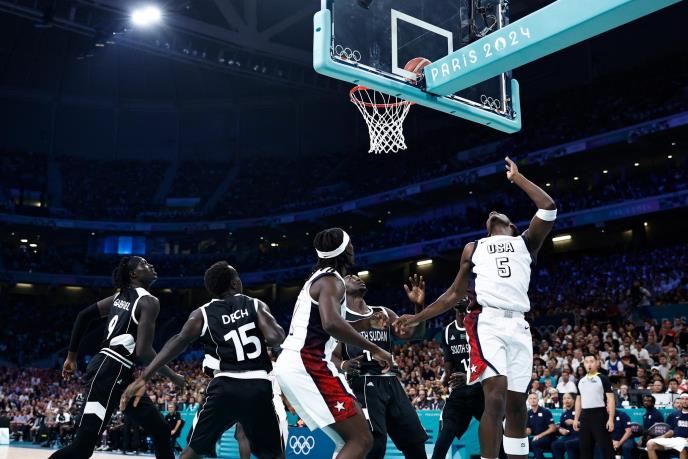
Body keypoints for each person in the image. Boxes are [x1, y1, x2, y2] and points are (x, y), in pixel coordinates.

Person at [396, 157, 557, 459]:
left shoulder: (526, 243)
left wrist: (518, 178)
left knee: (517, 406)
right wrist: (418, 316)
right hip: (489, 323)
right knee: (494, 398)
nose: (492, 214)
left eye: (501, 215)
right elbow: (453, 294)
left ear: (512, 227)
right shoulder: (474, 247)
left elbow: (548, 207)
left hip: (519, 325)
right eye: (489, 216)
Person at [120, 261, 287, 459]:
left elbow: (178, 341)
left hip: (224, 387)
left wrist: (144, 377)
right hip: (258, 387)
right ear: (234, 284)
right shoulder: (255, 304)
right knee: (273, 454)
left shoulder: (202, 313)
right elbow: (276, 337)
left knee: (193, 451)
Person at [275, 228, 393, 459]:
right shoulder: (331, 281)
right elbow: (331, 324)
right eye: (351, 244)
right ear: (345, 250)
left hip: (300, 362)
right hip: (308, 363)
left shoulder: (320, 278)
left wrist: (366, 323)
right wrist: (375, 349)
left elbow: (326, 325)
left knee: (348, 441)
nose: (353, 248)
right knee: (361, 439)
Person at [50, 256, 183, 459]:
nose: (151, 265)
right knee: (82, 448)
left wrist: (71, 357)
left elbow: (83, 316)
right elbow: (144, 351)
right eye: (144, 264)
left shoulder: (118, 297)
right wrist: (173, 376)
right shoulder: (149, 301)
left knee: (161, 429)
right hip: (108, 373)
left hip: (119, 374)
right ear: (134, 274)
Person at [332, 274, 428, 459]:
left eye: (357, 276)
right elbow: (332, 357)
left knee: (415, 443)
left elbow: (415, 334)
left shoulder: (384, 312)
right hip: (363, 384)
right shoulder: (340, 318)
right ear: (340, 288)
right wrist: (344, 364)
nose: (356, 277)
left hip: (391, 382)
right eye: (350, 277)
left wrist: (419, 307)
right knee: (375, 446)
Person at [432, 300, 490, 459]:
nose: (459, 298)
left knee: (498, 434)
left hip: (481, 390)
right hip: (459, 393)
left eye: (464, 295)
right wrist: (442, 383)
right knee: (444, 435)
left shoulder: (481, 327)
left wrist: (470, 377)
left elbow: (490, 361)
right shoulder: (447, 331)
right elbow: (449, 367)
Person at [573, 353, 615, 459]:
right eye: (586, 362)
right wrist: (576, 419)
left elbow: (611, 399)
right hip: (585, 416)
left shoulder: (603, 378)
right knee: (585, 448)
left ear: (597, 363)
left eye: (592, 361)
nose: (589, 364)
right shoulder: (580, 381)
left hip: (599, 415)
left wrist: (610, 419)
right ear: (584, 364)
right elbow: (578, 400)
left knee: (606, 447)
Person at [646, 392, 688, 459]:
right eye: (682, 399)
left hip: (685, 441)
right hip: (675, 440)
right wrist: (662, 437)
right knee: (650, 443)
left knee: (682, 446)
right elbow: (672, 431)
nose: (684, 401)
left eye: (687, 399)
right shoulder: (675, 414)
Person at [526, 393, 556, 459]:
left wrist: (540, 435)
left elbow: (553, 428)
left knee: (534, 443)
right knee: (523, 443)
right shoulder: (528, 413)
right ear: (528, 401)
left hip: (548, 437)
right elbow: (529, 430)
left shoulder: (545, 411)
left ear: (538, 400)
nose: (532, 400)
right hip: (536, 437)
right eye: (530, 398)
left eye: (534, 398)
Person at [551, 393, 578, 459]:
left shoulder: (578, 411)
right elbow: (561, 426)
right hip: (568, 435)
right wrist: (561, 430)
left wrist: (574, 422)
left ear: (573, 400)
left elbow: (586, 424)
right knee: (555, 445)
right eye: (564, 398)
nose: (566, 400)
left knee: (569, 443)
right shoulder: (564, 413)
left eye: (568, 398)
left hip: (579, 435)